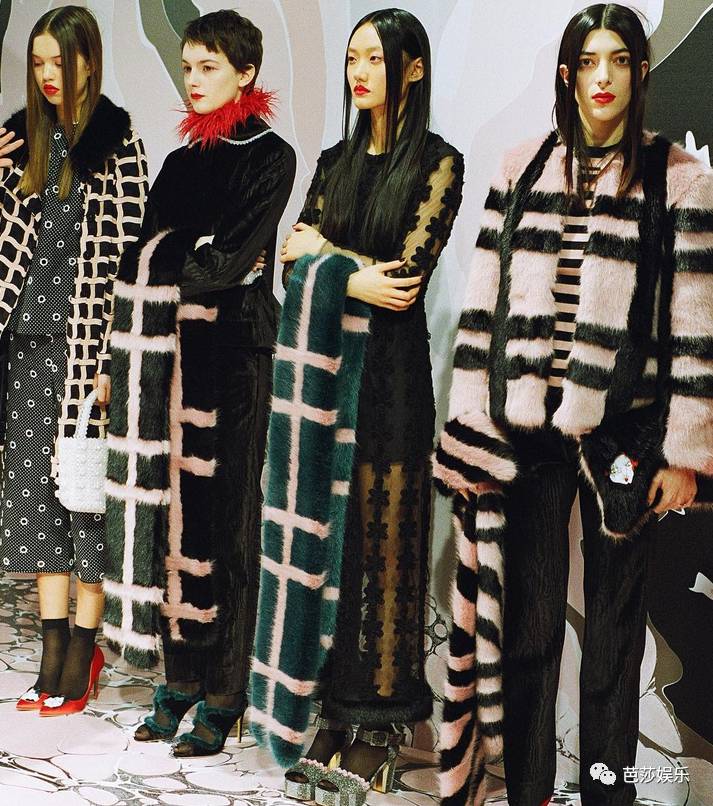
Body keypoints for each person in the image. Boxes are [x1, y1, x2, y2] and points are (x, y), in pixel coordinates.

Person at [433, 4, 713, 805]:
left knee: (614, 642)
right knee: (527, 629)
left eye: (618, 60)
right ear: (566, 74)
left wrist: (685, 456)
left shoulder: (676, 178)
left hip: (627, 435)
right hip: (527, 432)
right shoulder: (521, 168)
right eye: (588, 61)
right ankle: (526, 792)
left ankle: (606, 795)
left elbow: (696, 328)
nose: (602, 77)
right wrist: (470, 431)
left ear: (639, 72)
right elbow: (482, 310)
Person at [275, 8, 464, 804]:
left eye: (374, 58)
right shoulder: (333, 161)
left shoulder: (437, 164)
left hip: (390, 383)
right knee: (331, 544)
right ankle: (330, 708)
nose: (358, 72)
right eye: (352, 57)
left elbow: (405, 280)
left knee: (386, 550)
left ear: (412, 68)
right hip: (325, 372)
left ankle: (378, 724)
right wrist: (352, 273)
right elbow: (288, 266)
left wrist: (328, 256)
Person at [111, 9, 295, 756]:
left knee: (230, 527)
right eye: (188, 67)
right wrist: (197, 254)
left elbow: (225, 265)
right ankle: (180, 678)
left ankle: (225, 692)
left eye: (209, 67)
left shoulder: (271, 156)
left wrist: (190, 255)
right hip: (173, 352)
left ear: (246, 73)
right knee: (176, 522)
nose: (193, 80)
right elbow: (144, 254)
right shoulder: (181, 160)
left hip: (237, 356)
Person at [0, 6, 147, 716]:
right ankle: (50, 652)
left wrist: (112, 358)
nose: (49, 75)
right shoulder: (21, 142)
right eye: (38, 63)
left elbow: (130, 261)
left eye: (60, 60)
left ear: (89, 59)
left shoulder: (117, 143)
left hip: (83, 352)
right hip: (24, 347)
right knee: (33, 503)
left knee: (83, 501)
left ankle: (83, 651)